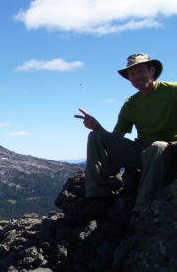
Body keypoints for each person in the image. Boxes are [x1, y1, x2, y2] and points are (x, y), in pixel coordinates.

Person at [74, 53, 177, 221]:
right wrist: (98, 127)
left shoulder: (172, 90)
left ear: (152, 70)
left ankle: (141, 209)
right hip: (142, 150)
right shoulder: (131, 104)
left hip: (170, 149)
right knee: (96, 137)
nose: (137, 77)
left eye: (141, 71)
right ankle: (98, 198)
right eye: (132, 74)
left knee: (157, 146)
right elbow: (116, 138)